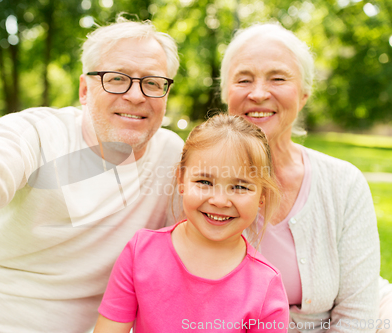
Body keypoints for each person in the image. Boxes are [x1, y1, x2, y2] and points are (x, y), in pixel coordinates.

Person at [0, 16, 184, 333]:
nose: (137, 95)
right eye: (117, 78)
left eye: (153, 83)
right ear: (85, 89)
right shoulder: (39, 132)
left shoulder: (173, 158)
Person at [220, 22, 392, 332]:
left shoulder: (344, 182)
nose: (258, 93)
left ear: (303, 95)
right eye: (244, 79)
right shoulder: (199, 182)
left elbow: (358, 315)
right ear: (226, 95)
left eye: (278, 78)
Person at [93, 114, 289, 333]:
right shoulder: (140, 253)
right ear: (181, 180)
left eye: (240, 187)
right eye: (204, 182)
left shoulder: (266, 286)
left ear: (262, 196)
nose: (220, 201)